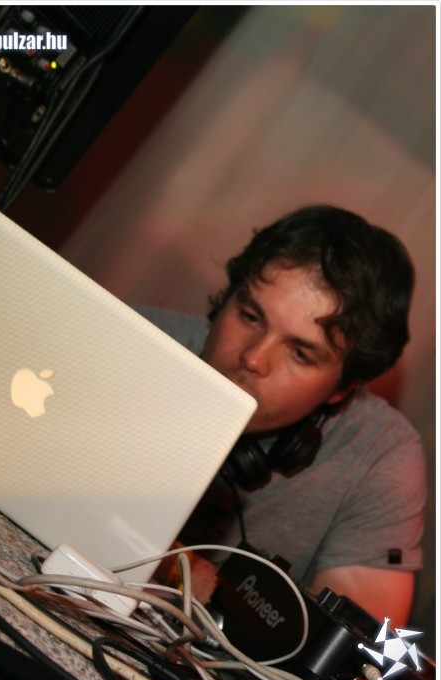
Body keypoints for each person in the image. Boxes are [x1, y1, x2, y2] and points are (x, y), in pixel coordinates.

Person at [138, 204, 426, 627]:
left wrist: (200, 582)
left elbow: (355, 652)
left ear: (342, 389)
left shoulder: (381, 458)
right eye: (250, 316)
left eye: (300, 353)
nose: (253, 357)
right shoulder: (140, 339)